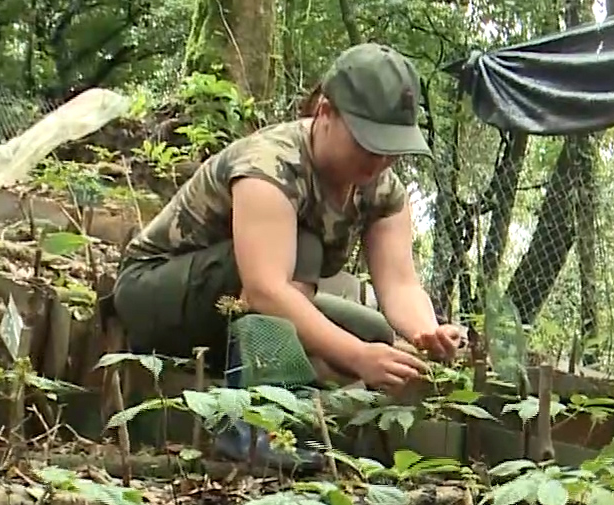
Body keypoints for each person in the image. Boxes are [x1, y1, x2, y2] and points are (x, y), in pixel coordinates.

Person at [111, 42, 467, 463]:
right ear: (325, 113)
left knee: (373, 335)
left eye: (390, 148)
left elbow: (400, 284)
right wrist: (355, 358)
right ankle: (255, 429)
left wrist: (428, 333)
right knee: (307, 250)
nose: (378, 162)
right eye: (368, 143)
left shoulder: (383, 192)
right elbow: (265, 290)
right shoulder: (271, 165)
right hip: (156, 294)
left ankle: (302, 407)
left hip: (243, 309)